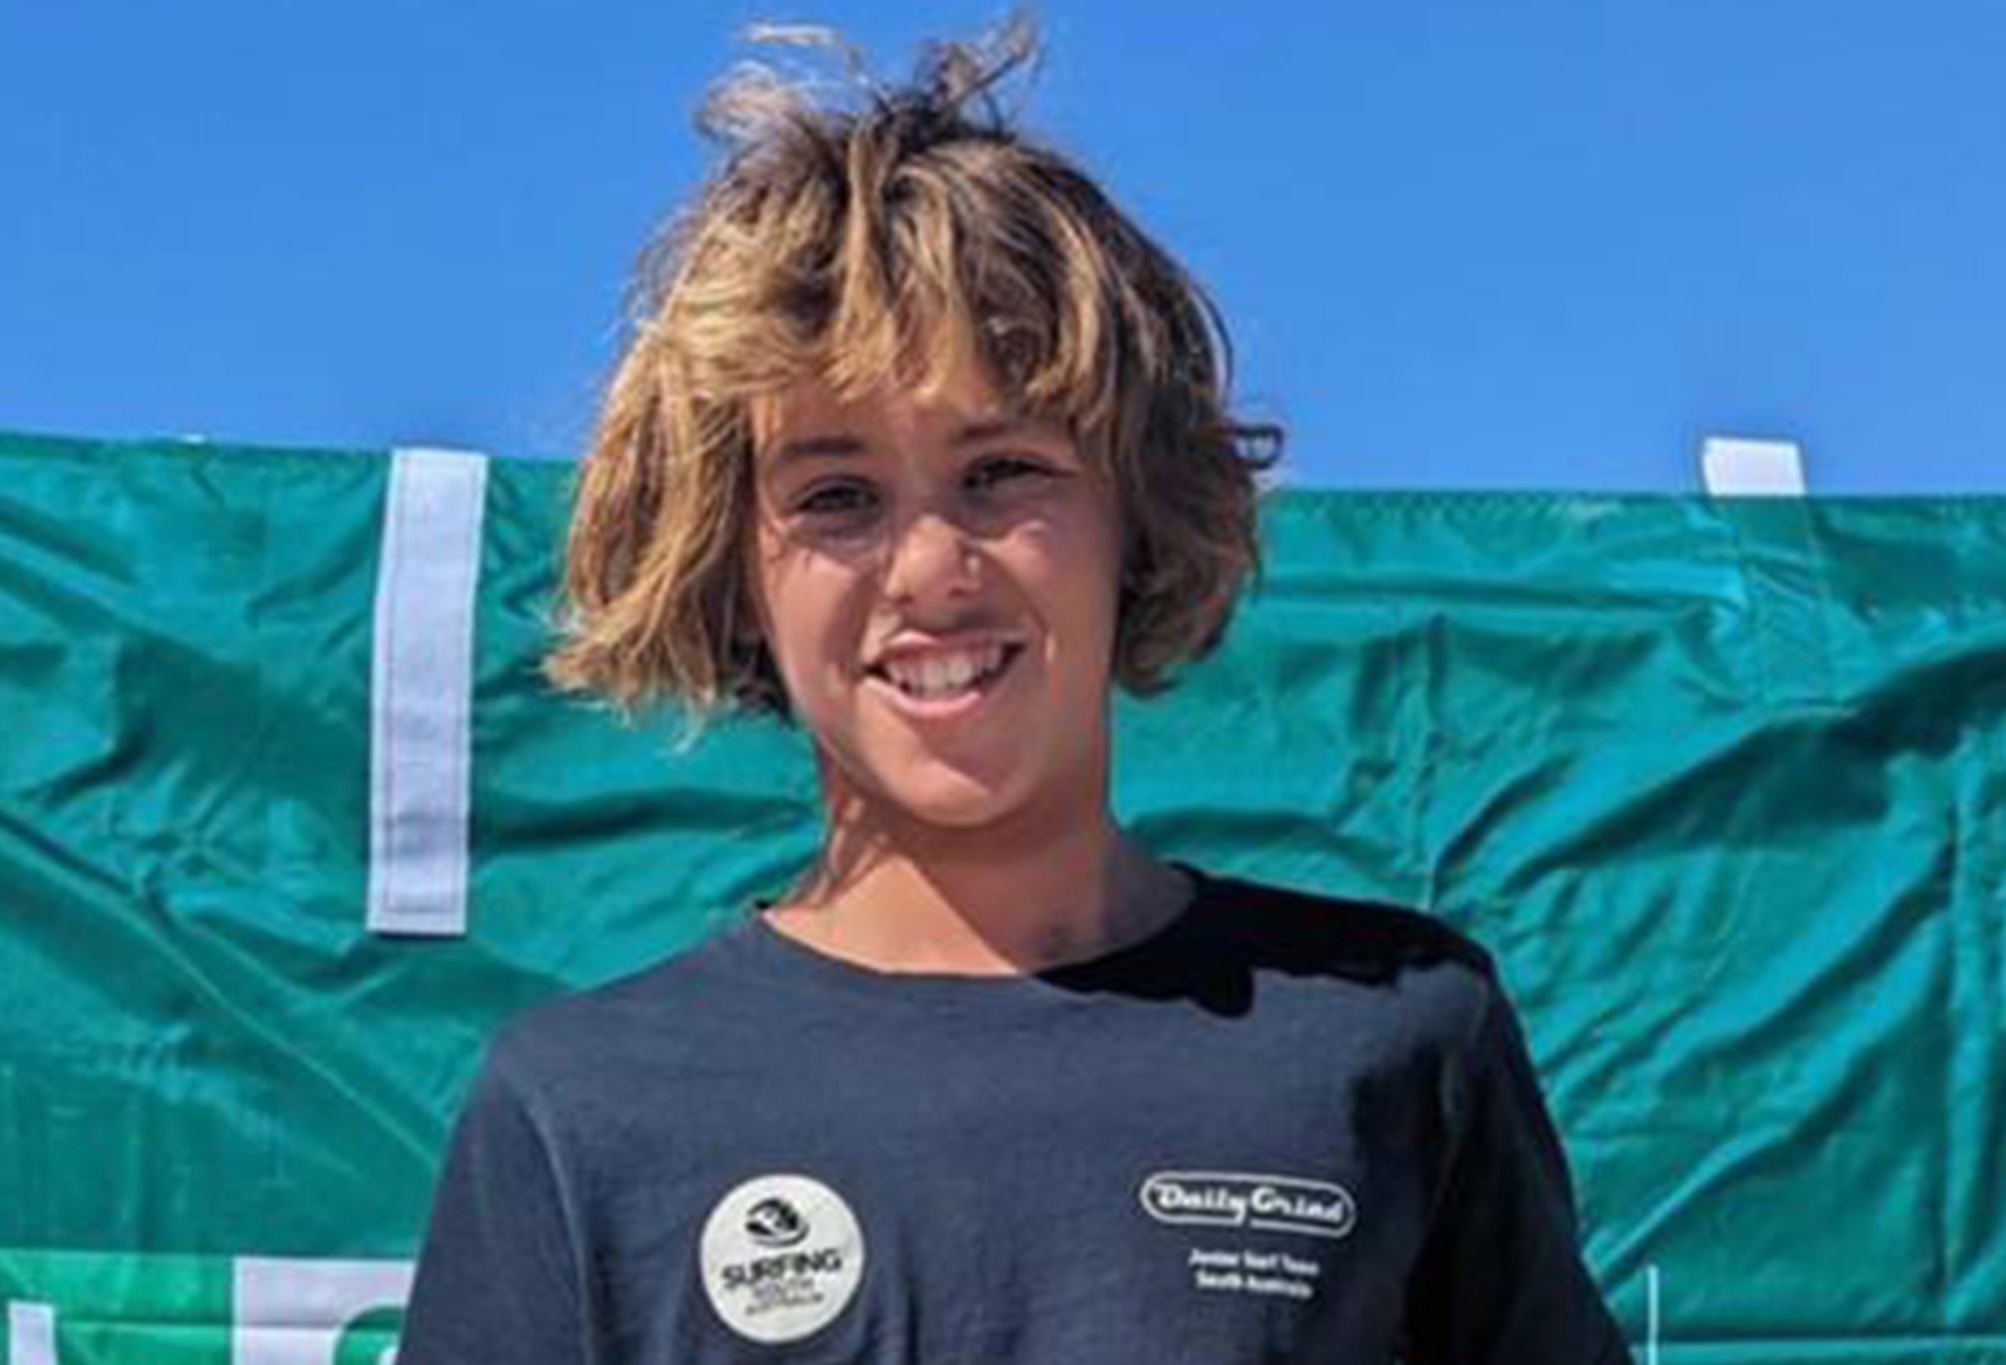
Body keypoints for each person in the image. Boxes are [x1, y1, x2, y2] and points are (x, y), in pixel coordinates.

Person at [395, 16, 1633, 1365]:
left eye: (1001, 471)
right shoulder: (580, 1112)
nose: (930, 567)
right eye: (837, 497)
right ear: (731, 568)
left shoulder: (1396, 1034)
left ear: (1137, 510)